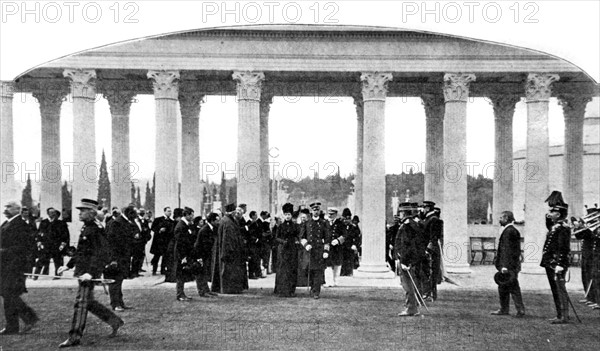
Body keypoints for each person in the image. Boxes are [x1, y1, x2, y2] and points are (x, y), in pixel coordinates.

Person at [57, 199, 123, 348]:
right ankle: (115, 321)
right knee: (89, 302)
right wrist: (68, 266)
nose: (79, 213)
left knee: (81, 303)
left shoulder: (95, 229)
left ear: (91, 213)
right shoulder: (86, 228)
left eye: (82, 211)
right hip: (83, 272)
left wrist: (91, 273)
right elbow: (81, 252)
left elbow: (102, 254)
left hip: (87, 273)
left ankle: (74, 337)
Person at [0, 201, 39, 335]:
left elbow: (22, 247)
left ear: (17, 209)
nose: (6, 209)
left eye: (9, 207)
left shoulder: (20, 225)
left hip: (14, 265)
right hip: (5, 265)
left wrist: (2, 251)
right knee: (7, 293)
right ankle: (19, 322)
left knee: (9, 294)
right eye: (5, 206)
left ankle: (21, 322)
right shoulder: (7, 223)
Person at [540, 192, 571, 324]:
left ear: (558, 214)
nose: (549, 214)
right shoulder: (555, 226)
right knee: (555, 289)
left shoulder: (562, 228)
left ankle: (563, 315)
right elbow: (548, 224)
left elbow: (563, 248)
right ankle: (560, 314)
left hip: (556, 263)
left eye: (552, 212)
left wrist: (560, 264)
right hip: (551, 262)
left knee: (559, 289)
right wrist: (548, 216)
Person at [490, 210, 525, 318]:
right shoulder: (511, 230)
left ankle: (520, 310)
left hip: (508, 266)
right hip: (510, 265)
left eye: (501, 218)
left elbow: (507, 250)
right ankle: (504, 309)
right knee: (503, 286)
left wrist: (505, 266)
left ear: (506, 218)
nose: (499, 220)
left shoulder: (509, 231)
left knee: (513, 287)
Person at [394, 202, 426, 317]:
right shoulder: (411, 224)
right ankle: (412, 306)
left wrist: (404, 261)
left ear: (403, 213)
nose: (399, 215)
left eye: (400, 212)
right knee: (409, 283)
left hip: (406, 260)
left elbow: (407, 245)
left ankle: (411, 308)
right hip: (409, 259)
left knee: (408, 285)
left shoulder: (407, 225)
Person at [105, 205, 136, 311]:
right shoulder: (116, 223)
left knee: (120, 279)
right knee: (115, 281)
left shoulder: (125, 222)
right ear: (128, 213)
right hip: (117, 258)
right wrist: (113, 259)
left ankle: (120, 302)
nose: (135, 216)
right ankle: (115, 303)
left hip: (124, 256)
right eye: (133, 214)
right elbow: (111, 243)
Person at [299, 202, 331, 299]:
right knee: (311, 271)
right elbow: (301, 237)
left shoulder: (324, 223)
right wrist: (306, 245)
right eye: (314, 210)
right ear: (311, 211)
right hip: (310, 250)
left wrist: (326, 251)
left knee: (318, 271)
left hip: (319, 250)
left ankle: (316, 291)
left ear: (319, 211)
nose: (316, 212)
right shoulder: (307, 223)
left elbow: (327, 238)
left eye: (317, 210)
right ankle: (313, 288)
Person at [216, 204, 249, 294]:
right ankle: (230, 289)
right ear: (233, 212)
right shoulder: (228, 223)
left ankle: (230, 288)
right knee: (229, 271)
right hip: (230, 251)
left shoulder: (226, 220)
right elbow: (228, 239)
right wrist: (231, 250)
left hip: (228, 250)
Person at [274, 203, 300, 297]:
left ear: (291, 215)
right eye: (286, 214)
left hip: (292, 250)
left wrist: (297, 241)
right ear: (283, 215)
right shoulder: (280, 226)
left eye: (289, 214)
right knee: (283, 270)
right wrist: (283, 241)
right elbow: (276, 237)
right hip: (283, 250)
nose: (287, 216)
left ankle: (291, 290)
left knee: (292, 269)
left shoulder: (296, 226)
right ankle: (282, 290)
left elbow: (298, 236)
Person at [172, 207, 197, 301]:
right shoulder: (181, 226)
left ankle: (182, 293)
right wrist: (183, 257)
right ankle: (180, 294)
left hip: (184, 254)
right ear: (186, 215)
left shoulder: (185, 225)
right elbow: (180, 243)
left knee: (182, 274)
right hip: (181, 254)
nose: (192, 217)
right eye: (191, 215)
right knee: (180, 274)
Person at [422, 201, 443, 301]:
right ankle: (428, 293)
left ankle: (430, 294)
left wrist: (428, 250)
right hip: (428, 248)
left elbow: (434, 237)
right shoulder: (429, 219)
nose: (423, 209)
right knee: (427, 271)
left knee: (431, 272)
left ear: (428, 208)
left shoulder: (433, 219)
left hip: (431, 250)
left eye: (424, 207)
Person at [194, 213, 219, 297]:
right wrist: (200, 257)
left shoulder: (211, 228)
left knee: (205, 272)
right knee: (201, 273)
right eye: (216, 220)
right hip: (201, 254)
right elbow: (204, 245)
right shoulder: (205, 230)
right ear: (212, 221)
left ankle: (206, 290)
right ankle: (202, 291)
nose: (218, 222)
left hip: (205, 255)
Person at [573, 212, 595, 305]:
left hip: (591, 256)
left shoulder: (593, 229)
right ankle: (588, 296)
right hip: (586, 255)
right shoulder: (588, 229)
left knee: (591, 277)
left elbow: (591, 236)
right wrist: (578, 227)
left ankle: (594, 298)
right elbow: (578, 236)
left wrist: (585, 227)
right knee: (585, 276)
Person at [150, 207, 175, 275]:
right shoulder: (158, 219)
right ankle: (154, 270)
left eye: (170, 211)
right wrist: (159, 230)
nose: (170, 213)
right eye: (168, 211)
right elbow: (152, 228)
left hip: (166, 241)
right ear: (164, 212)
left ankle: (163, 270)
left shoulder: (171, 221)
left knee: (165, 256)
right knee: (156, 256)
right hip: (158, 241)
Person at [326, 207, 344, 287]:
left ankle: (336, 280)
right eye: (329, 214)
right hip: (328, 246)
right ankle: (329, 282)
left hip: (337, 247)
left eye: (332, 214)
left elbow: (345, 235)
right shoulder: (325, 223)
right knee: (327, 264)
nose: (330, 216)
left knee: (337, 263)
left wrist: (338, 240)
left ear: (336, 214)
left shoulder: (340, 223)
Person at [340, 208, 359, 276]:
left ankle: (349, 272)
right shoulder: (340, 226)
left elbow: (357, 237)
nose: (346, 220)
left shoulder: (353, 227)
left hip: (350, 246)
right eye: (345, 219)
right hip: (342, 246)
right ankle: (342, 272)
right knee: (341, 259)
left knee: (349, 259)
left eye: (348, 218)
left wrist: (355, 244)